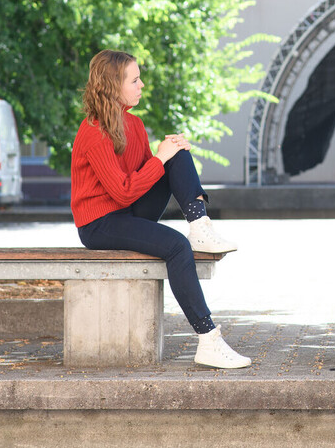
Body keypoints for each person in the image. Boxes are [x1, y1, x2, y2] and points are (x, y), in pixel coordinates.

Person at [70, 49, 251, 369]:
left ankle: (200, 226)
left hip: (126, 213)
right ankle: (208, 340)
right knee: (176, 246)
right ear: (113, 85)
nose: (142, 85)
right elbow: (124, 192)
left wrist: (170, 155)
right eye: (135, 79)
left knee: (177, 153)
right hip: (99, 223)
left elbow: (146, 177)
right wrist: (159, 159)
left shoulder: (134, 125)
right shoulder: (93, 132)